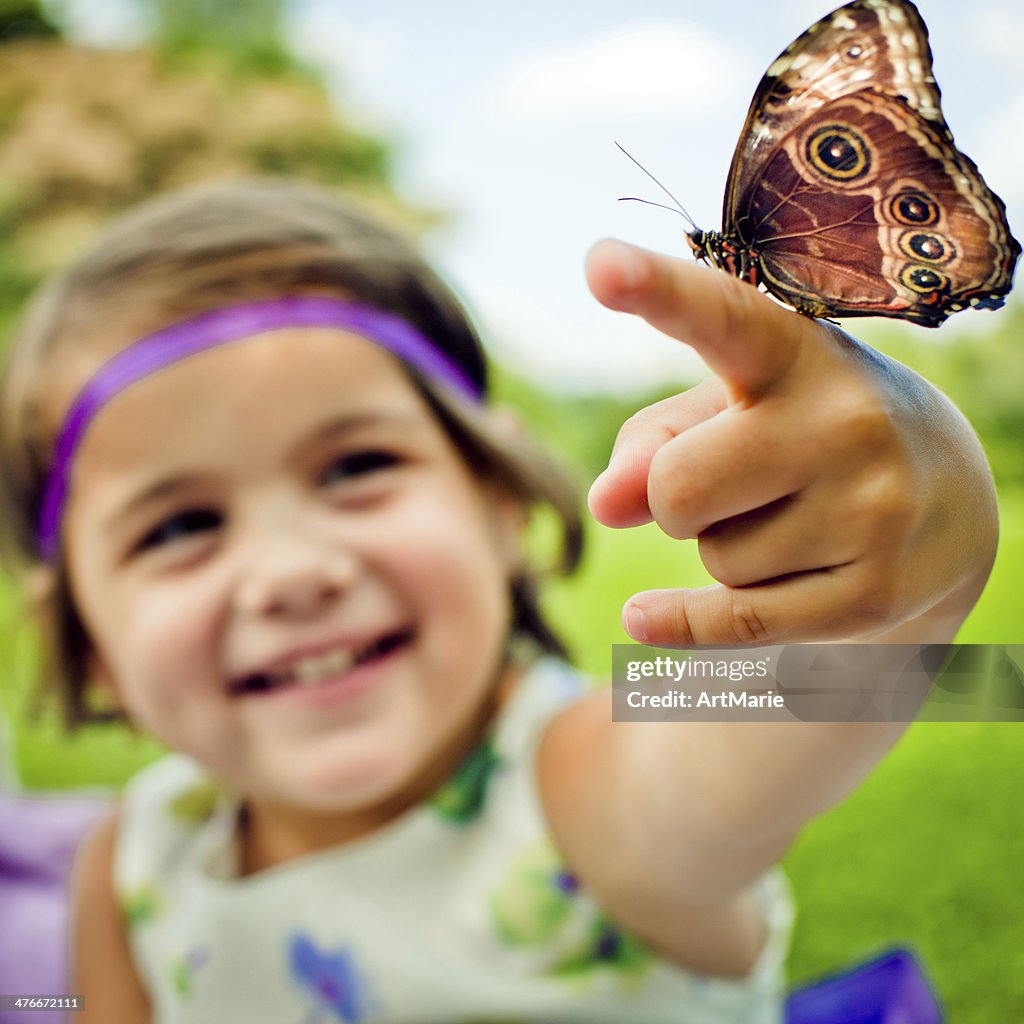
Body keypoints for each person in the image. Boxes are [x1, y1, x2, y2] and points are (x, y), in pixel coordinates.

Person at [0, 178, 997, 1023]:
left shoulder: (573, 772)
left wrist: (911, 592)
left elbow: (780, 713)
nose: (291, 570)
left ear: (498, 503)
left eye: (355, 465)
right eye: (177, 527)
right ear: (85, 633)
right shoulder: (128, 863)